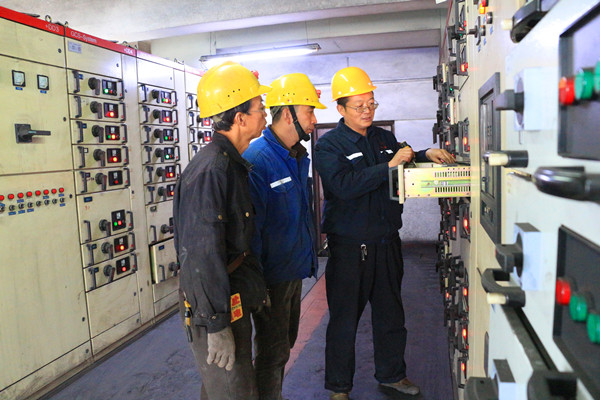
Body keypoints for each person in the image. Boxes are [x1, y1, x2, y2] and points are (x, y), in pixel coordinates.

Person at [313, 66, 455, 400]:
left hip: (387, 241)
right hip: (350, 248)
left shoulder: (383, 139)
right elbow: (343, 186)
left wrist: (424, 154)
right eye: (359, 106)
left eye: (371, 104)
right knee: (344, 320)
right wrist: (388, 167)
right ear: (341, 108)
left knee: (391, 315)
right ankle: (339, 387)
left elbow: (404, 157)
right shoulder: (328, 146)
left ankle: (393, 375)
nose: (367, 111)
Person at [173, 61, 271, 400]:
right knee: (234, 391)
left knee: (224, 387)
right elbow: (201, 254)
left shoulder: (231, 164)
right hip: (212, 304)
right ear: (240, 118)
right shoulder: (213, 170)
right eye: (260, 108)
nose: (265, 114)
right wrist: (216, 324)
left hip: (227, 294)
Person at [243, 73, 326, 400]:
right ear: (289, 114)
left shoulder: (295, 155)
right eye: (309, 111)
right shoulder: (258, 159)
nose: (314, 120)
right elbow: (251, 230)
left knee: (283, 345)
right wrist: (259, 283)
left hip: (292, 270)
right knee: (272, 351)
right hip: (271, 277)